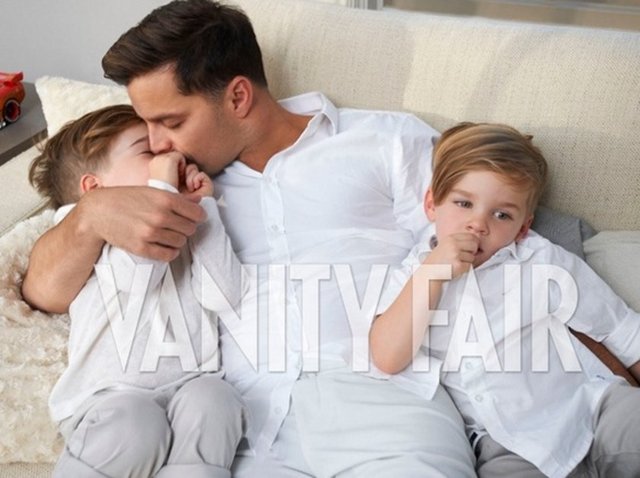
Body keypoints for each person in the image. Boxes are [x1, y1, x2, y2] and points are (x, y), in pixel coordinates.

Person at [23, 1, 476, 476]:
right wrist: (90, 215)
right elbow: (43, 294)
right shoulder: (159, 189)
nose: (156, 144)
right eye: (147, 124)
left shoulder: (387, 142)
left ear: (238, 98)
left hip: (386, 411)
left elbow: (486, 245)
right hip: (244, 428)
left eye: (172, 122)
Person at [370, 122, 640, 478]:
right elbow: (387, 357)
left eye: (502, 215)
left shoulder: (540, 260)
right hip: (507, 444)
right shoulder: (414, 273)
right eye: (464, 203)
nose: (478, 224)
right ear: (432, 204)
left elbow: (621, 329)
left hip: (593, 407)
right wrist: (431, 274)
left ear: (523, 227)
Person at [28, 104, 246, 478]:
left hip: (189, 384)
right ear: (95, 190)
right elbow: (137, 280)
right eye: (148, 152)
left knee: (217, 399)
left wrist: (204, 209)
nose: (169, 156)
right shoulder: (88, 230)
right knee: (136, 425)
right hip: (111, 398)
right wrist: (162, 189)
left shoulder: (184, 220)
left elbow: (226, 295)